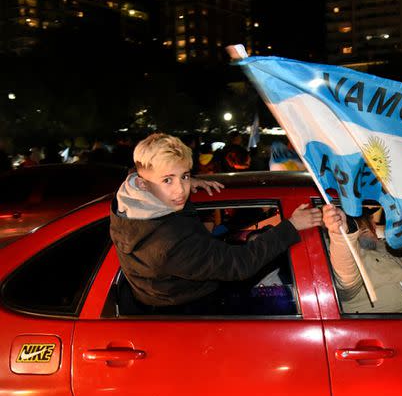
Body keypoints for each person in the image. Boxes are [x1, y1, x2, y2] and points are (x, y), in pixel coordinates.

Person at [109, 133, 322, 312]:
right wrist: (291, 226)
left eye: (184, 176)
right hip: (193, 308)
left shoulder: (128, 200)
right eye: (167, 180)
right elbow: (239, 264)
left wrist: (179, 179)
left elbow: (140, 173)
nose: (180, 190)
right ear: (143, 184)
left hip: (164, 296)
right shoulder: (168, 243)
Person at [322, 204, 402, 313]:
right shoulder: (347, 256)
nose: (373, 225)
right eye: (365, 223)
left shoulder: (384, 245)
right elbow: (346, 275)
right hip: (391, 329)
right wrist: (341, 235)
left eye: (371, 221)